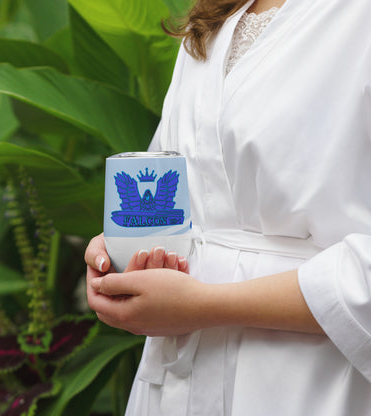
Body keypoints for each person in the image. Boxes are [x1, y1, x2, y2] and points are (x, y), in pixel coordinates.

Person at [85, 0, 371, 414]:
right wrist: (124, 248)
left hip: (309, 379)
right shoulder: (216, 15)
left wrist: (204, 305)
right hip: (180, 376)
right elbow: (188, 188)